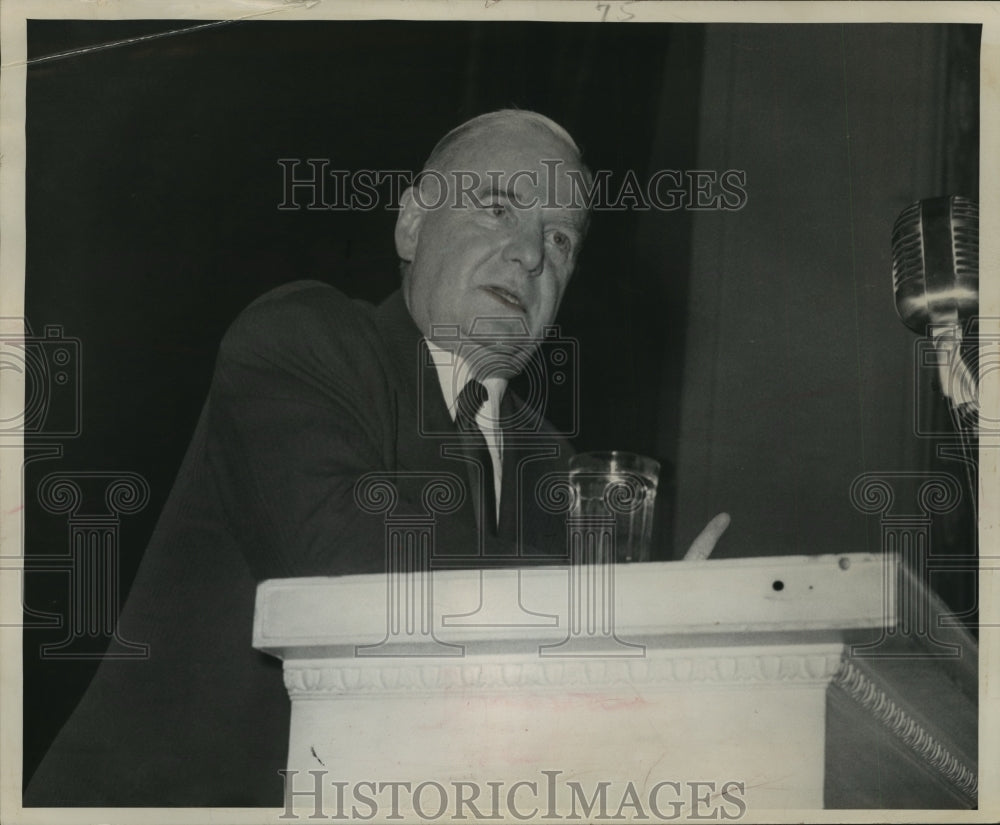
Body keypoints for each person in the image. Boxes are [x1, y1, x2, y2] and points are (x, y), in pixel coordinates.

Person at [25, 110, 728, 807]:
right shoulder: (303, 338)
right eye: (497, 208)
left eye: (559, 237)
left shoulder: (557, 466)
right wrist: (615, 597)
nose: (530, 254)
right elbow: (343, 560)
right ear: (414, 224)